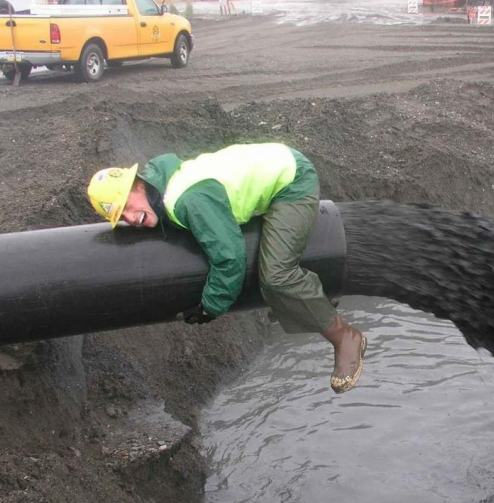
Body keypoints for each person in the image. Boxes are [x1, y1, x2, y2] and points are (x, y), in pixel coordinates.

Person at [86, 143, 366, 394]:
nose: (129, 218)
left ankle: (346, 337)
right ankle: (312, 300)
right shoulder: (164, 182)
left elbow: (230, 257)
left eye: (126, 206)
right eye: (120, 217)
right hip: (275, 164)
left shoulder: (188, 199)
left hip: (292, 180)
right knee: (273, 270)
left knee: (277, 275)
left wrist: (211, 306)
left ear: (138, 184)